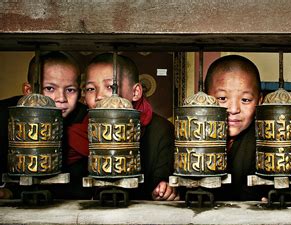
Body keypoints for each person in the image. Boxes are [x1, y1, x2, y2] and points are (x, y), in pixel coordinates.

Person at [84, 53, 178, 201]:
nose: (98, 96)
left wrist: (163, 189)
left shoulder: (161, 130)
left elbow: (162, 181)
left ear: (135, 92)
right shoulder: (79, 129)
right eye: (90, 89)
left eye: (110, 87)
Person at [0, 51, 89, 199]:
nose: (61, 98)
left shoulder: (84, 120)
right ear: (29, 91)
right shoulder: (7, 115)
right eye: (50, 88)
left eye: (70, 90)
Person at [205, 55, 264, 201]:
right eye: (222, 99)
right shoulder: (193, 137)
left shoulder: (264, 141)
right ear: (205, 98)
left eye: (245, 100)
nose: (233, 109)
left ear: (259, 101)